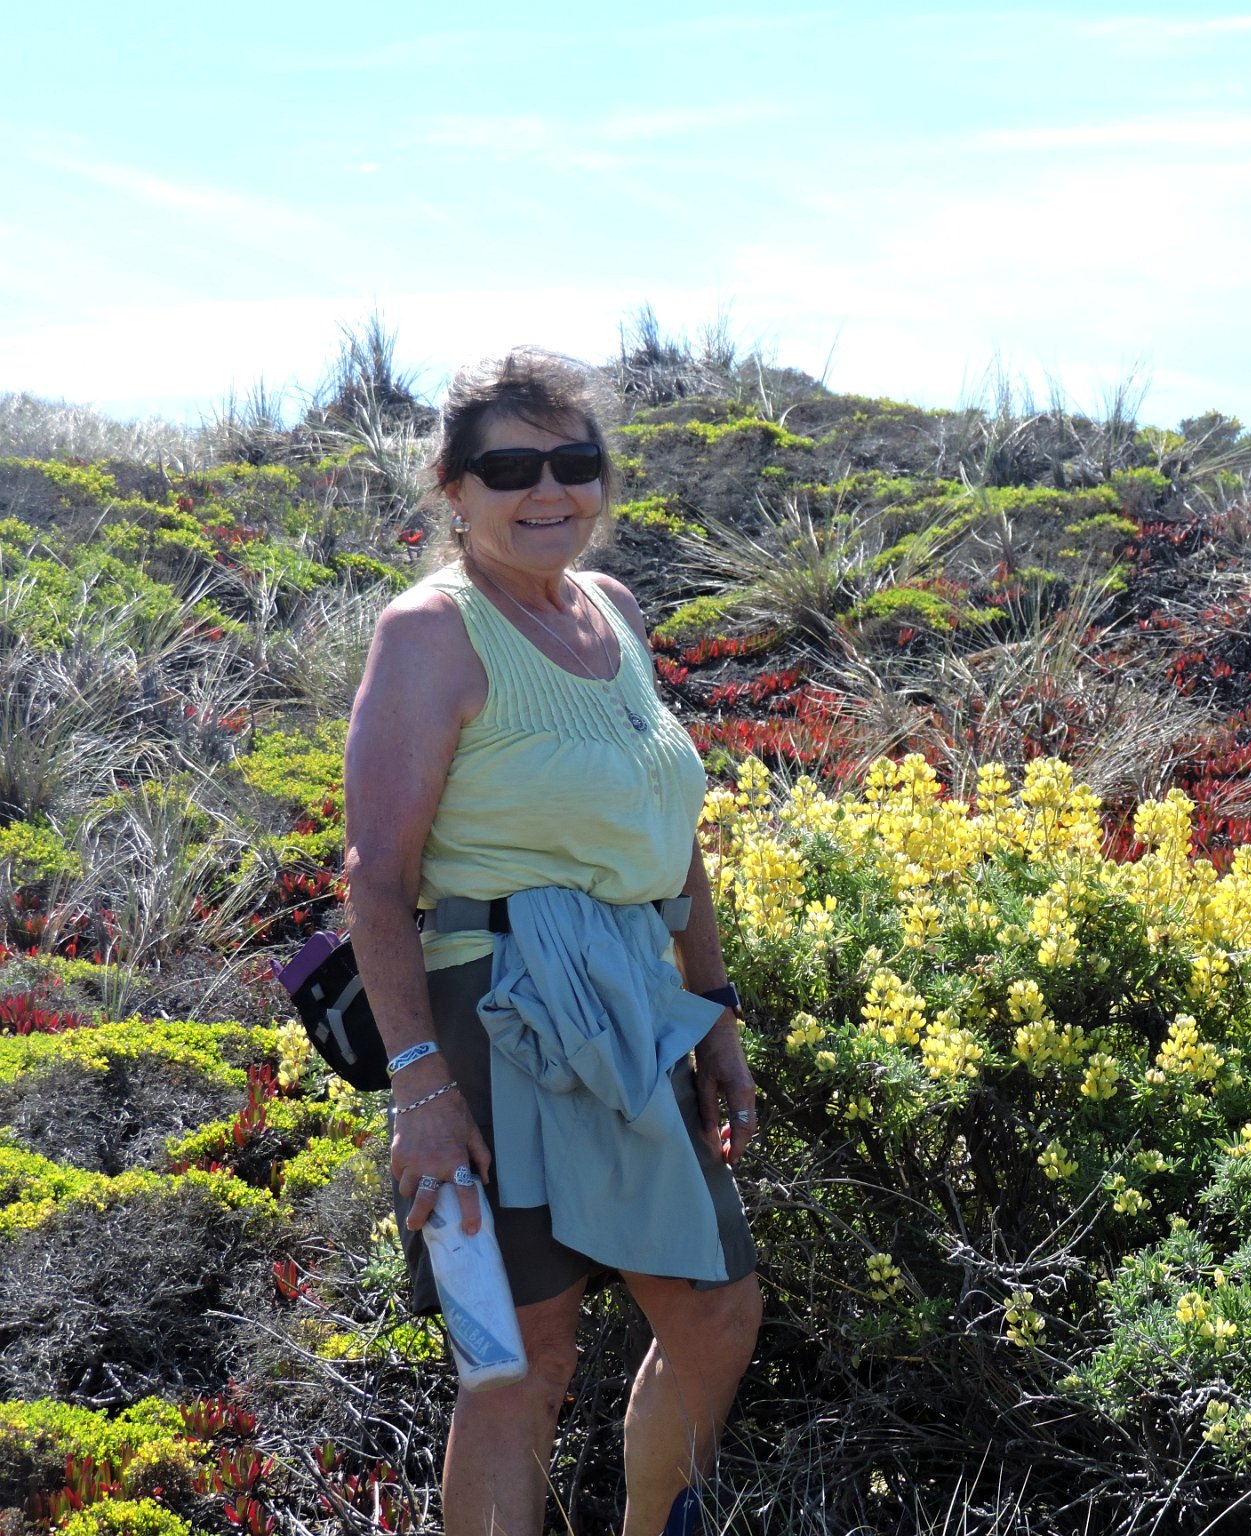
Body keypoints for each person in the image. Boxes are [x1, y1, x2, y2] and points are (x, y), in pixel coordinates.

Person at [343, 348, 761, 1536]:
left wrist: (714, 1013)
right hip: (492, 1016)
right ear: (454, 487)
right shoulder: (431, 631)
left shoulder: (613, 610)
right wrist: (420, 1087)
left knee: (717, 1310)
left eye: (573, 462)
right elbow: (376, 880)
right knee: (515, 1359)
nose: (548, 491)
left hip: (633, 1006)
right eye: (510, 468)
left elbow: (668, 835)